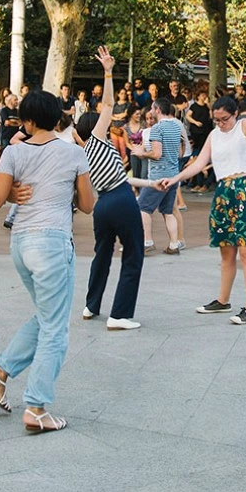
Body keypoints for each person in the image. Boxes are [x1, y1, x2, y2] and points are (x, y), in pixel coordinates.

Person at [0, 89, 95, 432]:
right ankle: (36, 407)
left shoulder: (13, 152)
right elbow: (87, 205)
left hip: (21, 242)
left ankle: (0, 372)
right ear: (59, 118)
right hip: (53, 242)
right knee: (56, 328)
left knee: (45, 315)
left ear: (25, 120)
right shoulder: (72, 153)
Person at [163, 95, 246, 324]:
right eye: (216, 120)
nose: (220, 124)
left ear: (234, 114)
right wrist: (175, 179)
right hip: (224, 192)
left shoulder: (245, 124)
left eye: (224, 119)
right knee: (226, 251)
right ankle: (223, 300)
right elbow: (200, 163)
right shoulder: (214, 135)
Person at [77, 47, 160, 330]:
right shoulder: (98, 139)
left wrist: (149, 183)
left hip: (102, 205)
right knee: (133, 253)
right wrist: (109, 71)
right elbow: (109, 105)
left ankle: (91, 306)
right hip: (121, 200)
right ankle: (120, 315)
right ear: (94, 127)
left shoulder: (79, 154)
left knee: (102, 254)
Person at [138, 95, 184, 255]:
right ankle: (173, 244)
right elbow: (179, 152)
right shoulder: (177, 127)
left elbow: (157, 154)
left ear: (158, 110)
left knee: (143, 207)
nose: (151, 111)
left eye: (152, 108)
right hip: (173, 174)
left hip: (158, 176)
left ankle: (147, 241)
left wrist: (142, 153)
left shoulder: (157, 128)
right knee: (168, 211)